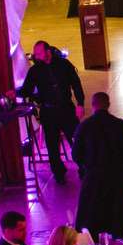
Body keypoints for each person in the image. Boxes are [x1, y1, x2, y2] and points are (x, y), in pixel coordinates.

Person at [18, 40, 84, 183]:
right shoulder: (35, 70)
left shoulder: (64, 65)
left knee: (76, 139)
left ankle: (84, 168)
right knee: (52, 144)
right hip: (49, 112)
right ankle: (58, 173)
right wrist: (15, 93)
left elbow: (76, 84)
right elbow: (26, 89)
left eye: (39, 53)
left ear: (48, 52)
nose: (36, 56)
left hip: (66, 108)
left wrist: (80, 103)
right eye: (35, 54)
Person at [71, 92, 123, 236]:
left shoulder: (85, 126)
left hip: (93, 178)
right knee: (116, 218)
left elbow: (75, 155)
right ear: (109, 104)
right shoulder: (120, 125)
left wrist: (86, 166)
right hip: (116, 178)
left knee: (92, 216)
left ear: (93, 106)